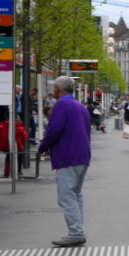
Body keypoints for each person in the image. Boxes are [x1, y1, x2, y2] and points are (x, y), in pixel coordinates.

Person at [36, 75, 92, 247]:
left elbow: (54, 129)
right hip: (82, 155)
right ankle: (77, 230)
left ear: (58, 89)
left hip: (68, 155)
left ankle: (76, 233)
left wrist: (42, 147)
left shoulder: (62, 105)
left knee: (66, 196)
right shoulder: (79, 106)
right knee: (75, 194)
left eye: (54, 88)